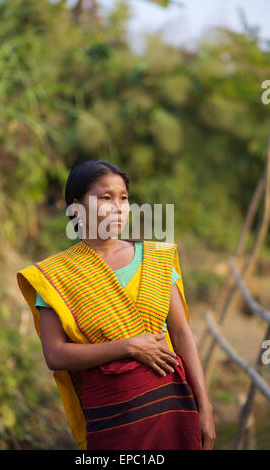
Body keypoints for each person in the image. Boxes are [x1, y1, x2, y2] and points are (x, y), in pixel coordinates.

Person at [17, 159, 215, 450]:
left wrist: (206, 408)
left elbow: (183, 334)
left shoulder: (157, 258)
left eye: (123, 198)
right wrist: (129, 346)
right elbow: (55, 355)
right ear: (77, 208)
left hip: (174, 410)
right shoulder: (55, 276)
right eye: (105, 198)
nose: (118, 206)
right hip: (113, 420)